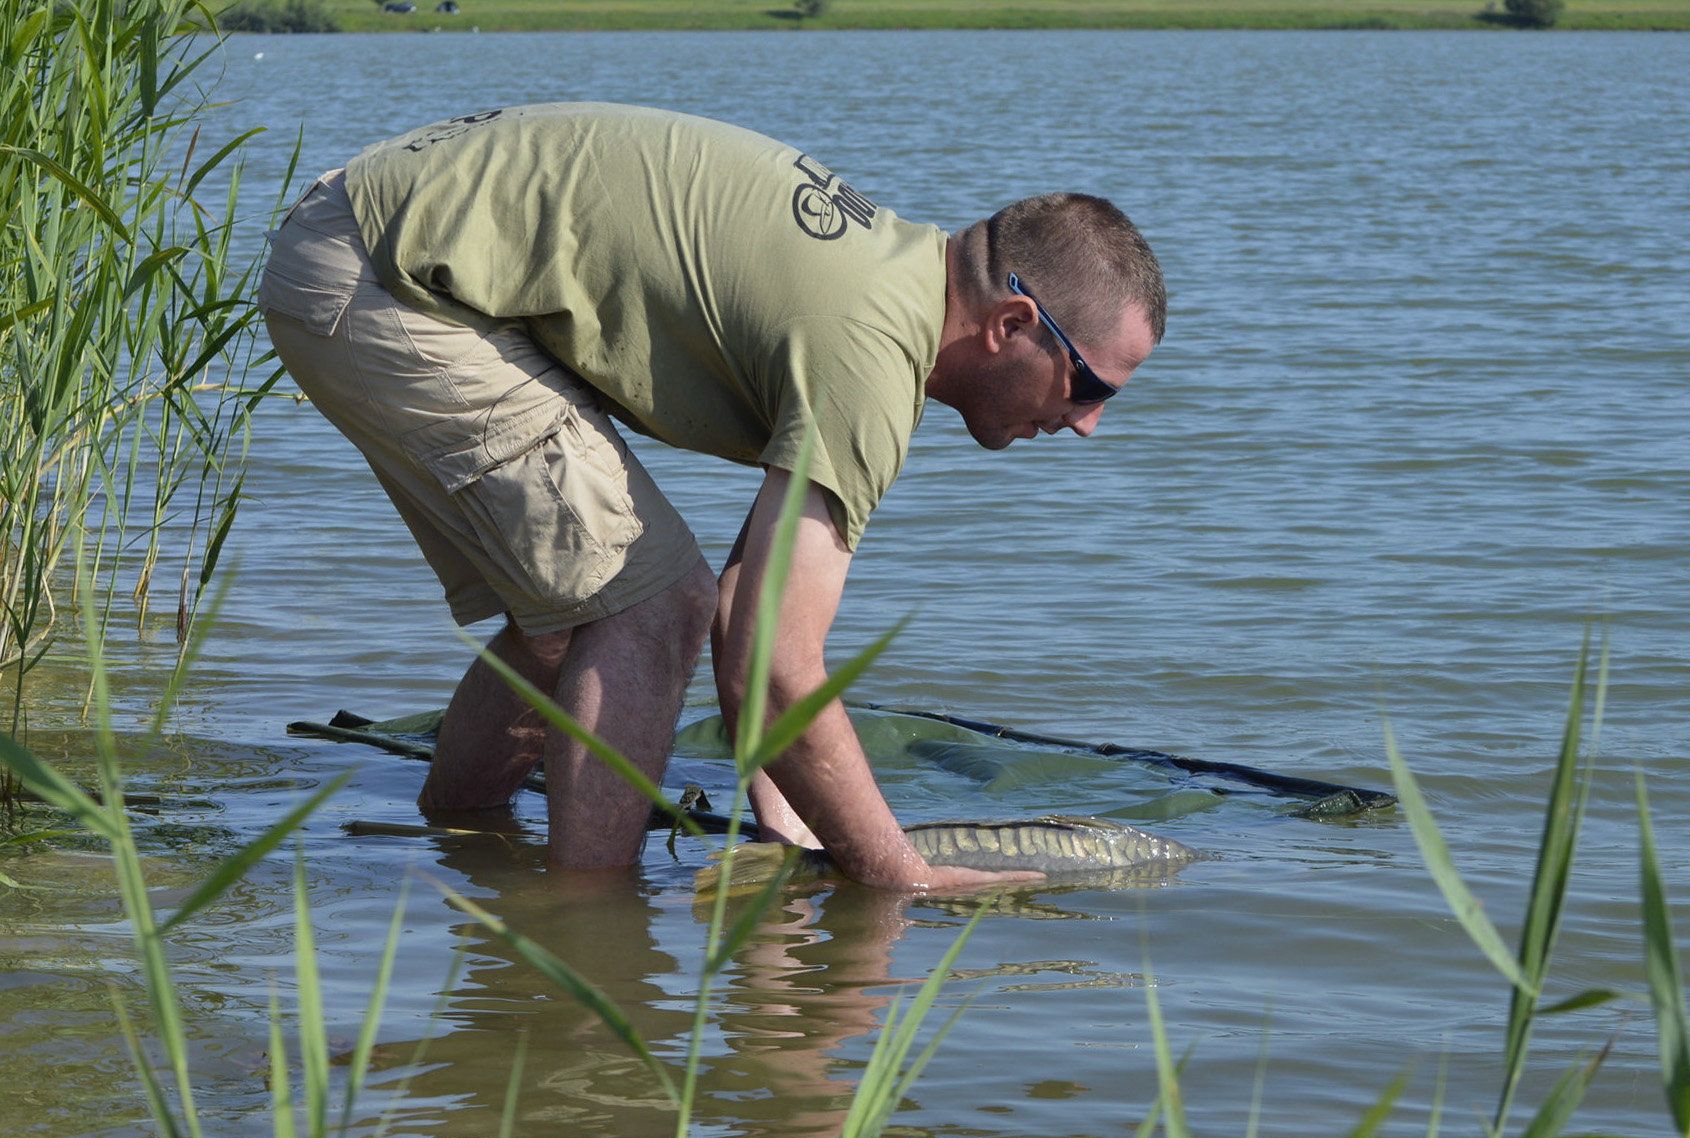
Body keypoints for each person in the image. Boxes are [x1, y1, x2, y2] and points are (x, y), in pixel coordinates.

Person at [261, 103, 1165, 891]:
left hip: (371, 237)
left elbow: (752, 630)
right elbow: (772, 664)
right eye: (1092, 388)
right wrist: (898, 873)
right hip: (387, 278)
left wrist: (785, 815)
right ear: (1012, 325)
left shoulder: (886, 289)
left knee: (567, 618)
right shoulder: (872, 355)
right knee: (653, 602)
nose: (1087, 424)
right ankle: (592, 940)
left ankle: (463, 843)